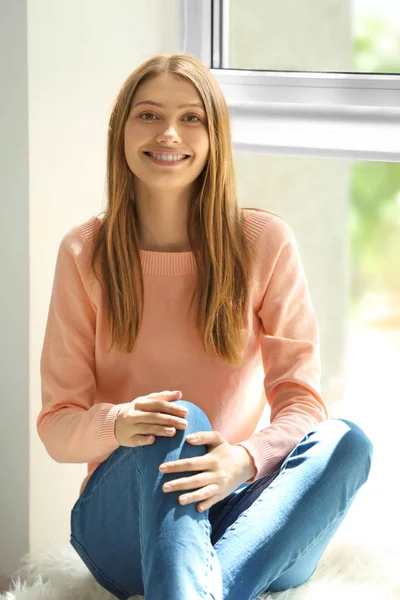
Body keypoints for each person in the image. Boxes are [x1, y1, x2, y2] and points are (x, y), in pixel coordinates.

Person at [37, 53, 373, 600]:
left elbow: (303, 404)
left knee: (347, 442)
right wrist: (120, 423)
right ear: (120, 131)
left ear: (215, 137)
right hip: (127, 531)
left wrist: (243, 460)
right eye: (148, 115)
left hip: (245, 515)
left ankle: (197, 588)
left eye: (192, 118)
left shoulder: (265, 243)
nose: (169, 132)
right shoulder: (85, 252)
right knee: (175, 419)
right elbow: (56, 424)